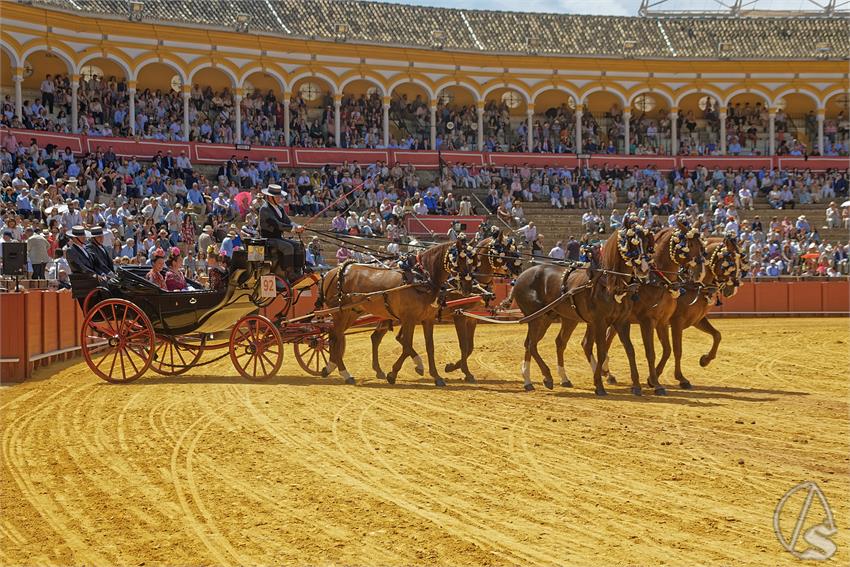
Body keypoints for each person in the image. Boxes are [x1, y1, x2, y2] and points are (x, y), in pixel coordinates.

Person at [259, 184, 305, 279]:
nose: (280, 198)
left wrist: (298, 226)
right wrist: (294, 229)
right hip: (268, 239)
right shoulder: (264, 209)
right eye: (278, 196)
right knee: (288, 247)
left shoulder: (280, 208)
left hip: (278, 238)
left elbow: (289, 221)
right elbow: (278, 225)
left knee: (298, 245)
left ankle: (298, 270)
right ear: (270, 197)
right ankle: (289, 273)